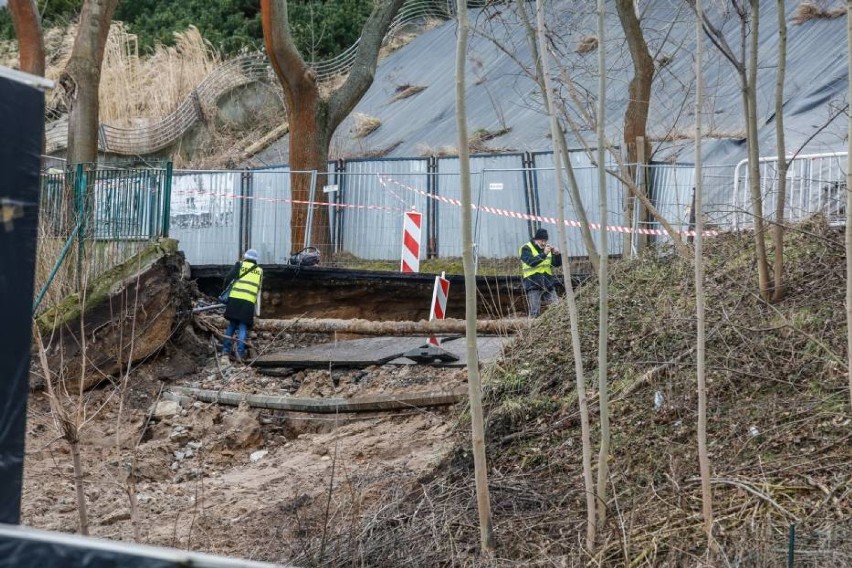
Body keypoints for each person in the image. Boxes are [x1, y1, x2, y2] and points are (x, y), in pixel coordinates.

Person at [221, 248, 263, 362]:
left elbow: (228, 278)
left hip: (235, 299)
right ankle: (240, 353)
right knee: (243, 327)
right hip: (248, 302)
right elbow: (259, 289)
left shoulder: (239, 265)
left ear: (245, 256)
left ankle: (225, 350)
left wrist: (225, 290)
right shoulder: (259, 270)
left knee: (232, 325)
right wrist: (257, 311)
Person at [519, 228, 562, 318]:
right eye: (541, 240)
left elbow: (555, 264)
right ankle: (533, 329)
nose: (543, 243)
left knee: (557, 309)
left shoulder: (547, 249)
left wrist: (557, 255)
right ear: (535, 240)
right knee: (535, 313)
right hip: (533, 283)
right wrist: (544, 254)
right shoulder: (525, 248)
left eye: (545, 241)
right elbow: (531, 262)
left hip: (548, 283)